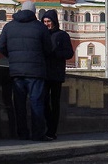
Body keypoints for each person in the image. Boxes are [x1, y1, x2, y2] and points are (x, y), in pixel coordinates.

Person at [0, 1, 53, 141]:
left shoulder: (9, 26)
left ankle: (22, 133)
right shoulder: (40, 27)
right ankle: (38, 134)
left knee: (19, 104)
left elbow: (0, 45)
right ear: (34, 12)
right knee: (36, 103)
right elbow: (48, 48)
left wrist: (13, 56)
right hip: (36, 72)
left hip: (16, 71)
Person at [41, 9, 74, 140]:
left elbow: (69, 53)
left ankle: (52, 130)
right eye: (44, 21)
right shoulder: (41, 34)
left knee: (55, 103)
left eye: (49, 21)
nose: (46, 24)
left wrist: (56, 54)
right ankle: (46, 126)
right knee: (43, 101)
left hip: (56, 74)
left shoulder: (62, 35)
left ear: (54, 22)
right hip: (43, 73)